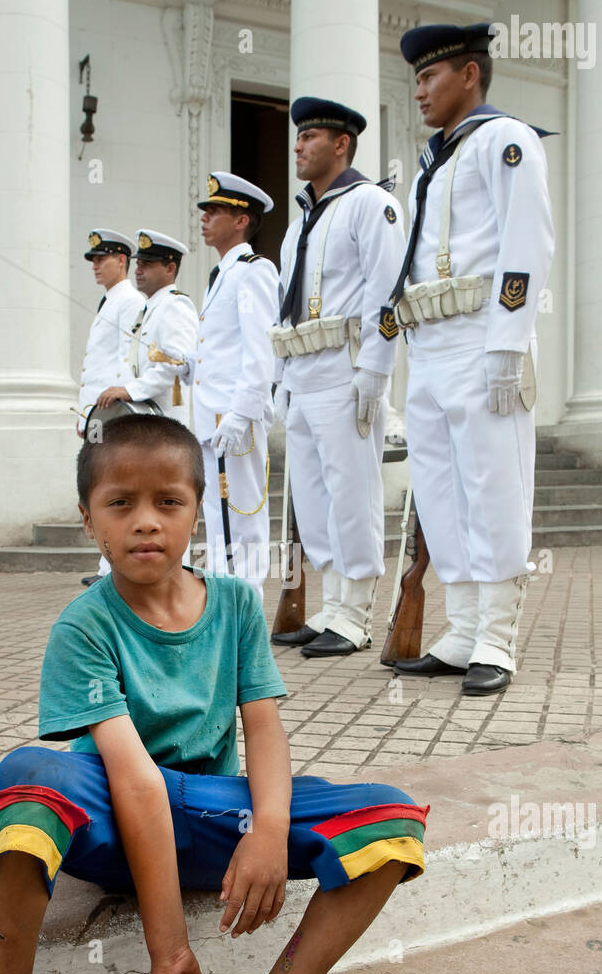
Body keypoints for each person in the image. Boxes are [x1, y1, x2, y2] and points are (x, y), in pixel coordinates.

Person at [0, 414, 428, 974]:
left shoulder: (237, 606)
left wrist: (266, 829)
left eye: (168, 502)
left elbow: (265, 731)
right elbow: (137, 784)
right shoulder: (83, 628)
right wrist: (169, 948)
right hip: (117, 826)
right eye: (120, 503)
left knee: (390, 819)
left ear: (198, 509)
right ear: (88, 517)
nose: (146, 521)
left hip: (215, 819)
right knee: (26, 779)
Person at [390, 23, 554, 695]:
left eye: (431, 77)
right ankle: (461, 631)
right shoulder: (435, 160)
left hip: (483, 336)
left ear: (469, 75)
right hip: (430, 346)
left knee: (492, 489)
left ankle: (497, 638)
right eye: (417, 80)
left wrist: (507, 345)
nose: (420, 91)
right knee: (440, 490)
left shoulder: (505, 142)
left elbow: (527, 246)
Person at [270, 97, 408, 658]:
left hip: (346, 372)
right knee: (313, 496)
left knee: (352, 492)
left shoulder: (371, 205)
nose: (298, 147)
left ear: (341, 144)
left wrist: (376, 373)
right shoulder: (302, 218)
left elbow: (386, 292)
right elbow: (285, 305)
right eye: (297, 138)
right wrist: (280, 378)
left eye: (310, 137)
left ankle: (355, 613)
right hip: (303, 374)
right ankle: (330, 604)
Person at [182, 172, 279, 594]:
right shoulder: (221, 275)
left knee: (242, 517)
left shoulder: (253, 271)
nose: (205, 219)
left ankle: (248, 606)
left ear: (241, 220)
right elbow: (221, 347)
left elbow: (261, 350)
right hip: (211, 417)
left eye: (215, 211)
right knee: (218, 519)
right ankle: (226, 599)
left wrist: (242, 413)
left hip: (235, 416)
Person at [77, 228, 146, 586]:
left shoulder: (129, 300)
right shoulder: (109, 300)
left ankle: (112, 566)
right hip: (97, 410)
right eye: (93, 260)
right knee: (100, 484)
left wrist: (105, 412)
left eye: (101, 259)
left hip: (111, 410)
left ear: (122, 260)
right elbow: (94, 364)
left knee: (114, 485)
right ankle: (107, 563)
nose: (95, 266)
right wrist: (85, 413)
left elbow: (124, 358)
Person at [94, 230, 198, 424]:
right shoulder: (149, 307)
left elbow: (175, 363)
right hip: (140, 415)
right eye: (138, 264)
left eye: (147, 265)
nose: (138, 270)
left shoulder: (175, 305)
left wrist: (130, 391)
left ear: (170, 268)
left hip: (162, 419)